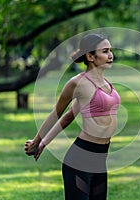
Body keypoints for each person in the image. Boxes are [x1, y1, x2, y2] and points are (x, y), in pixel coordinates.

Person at [24, 33, 121, 200]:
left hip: (100, 158)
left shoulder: (106, 83)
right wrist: (37, 141)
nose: (110, 55)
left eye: (110, 50)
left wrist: (45, 143)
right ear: (90, 56)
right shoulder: (77, 83)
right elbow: (57, 113)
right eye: (105, 51)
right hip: (80, 159)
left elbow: (70, 116)